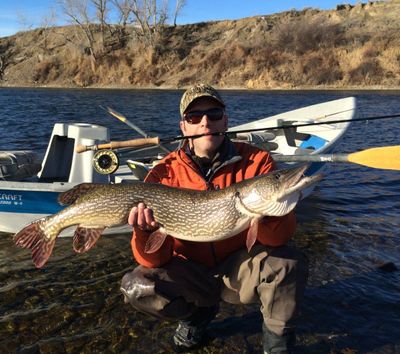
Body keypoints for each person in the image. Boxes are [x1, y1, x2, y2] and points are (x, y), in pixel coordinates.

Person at [120, 84, 308, 353]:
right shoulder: (162, 173)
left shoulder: (257, 162)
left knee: (288, 263)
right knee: (137, 286)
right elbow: (154, 261)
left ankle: (277, 343)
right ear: (184, 127)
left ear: (226, 120)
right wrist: (145, 232)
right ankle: (196, 316)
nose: (205, 122)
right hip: (191, 274)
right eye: (194, 117)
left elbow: (277, 239)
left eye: (214, 114)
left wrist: (270, 211)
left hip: (238, 270)